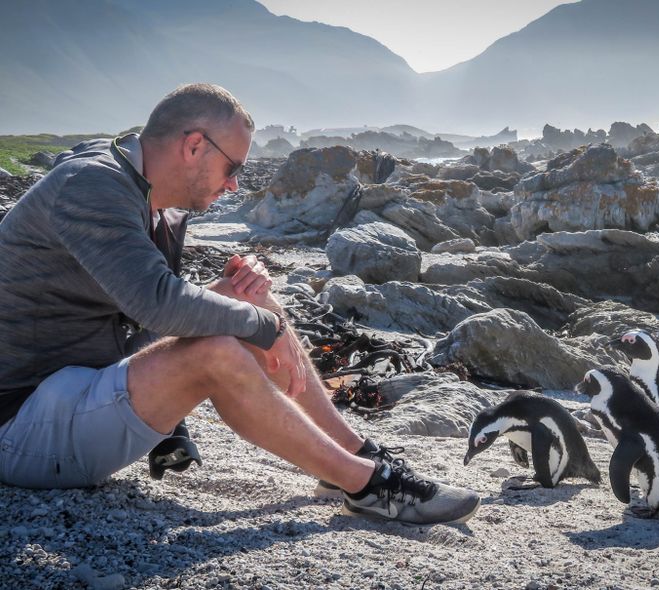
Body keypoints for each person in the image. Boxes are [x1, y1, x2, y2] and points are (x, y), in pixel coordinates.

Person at [0, 84, 480, 525]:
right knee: (220, 351)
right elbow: (157, 305)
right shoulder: (91, 185)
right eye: (233, 168)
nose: (234, 185)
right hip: (23, 423)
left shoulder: (148, 196)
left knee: (249, 296)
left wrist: (250, 306)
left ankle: (356, 452)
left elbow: (151, 304)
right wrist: (264, 328)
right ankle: (369, 486)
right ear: (193, 146)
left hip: (83, 378)